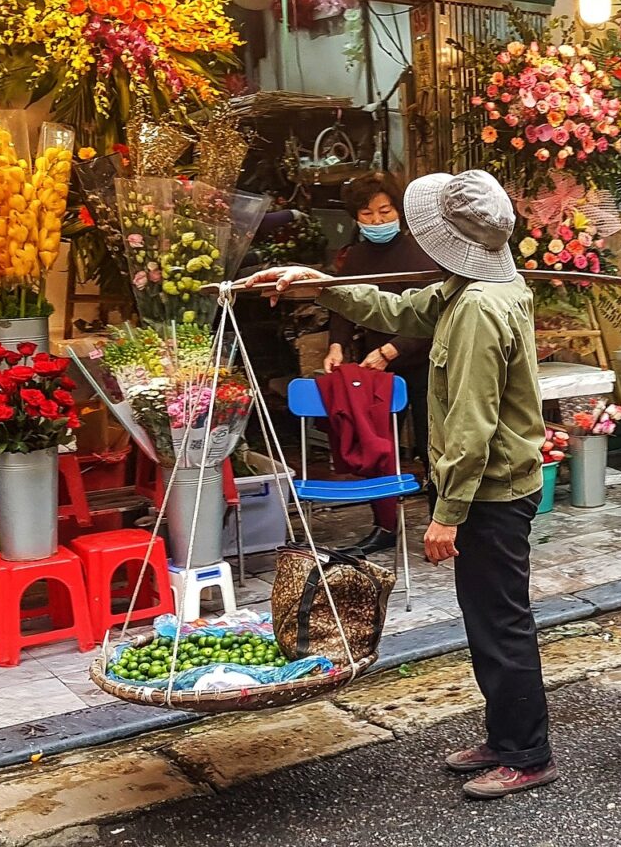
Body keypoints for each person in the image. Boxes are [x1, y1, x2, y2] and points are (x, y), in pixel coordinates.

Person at [251, 170, 555, 800]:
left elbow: (472, 426)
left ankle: (527, 753)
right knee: (485, 617)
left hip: (492, 492)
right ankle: (506, 736)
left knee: (502, 621)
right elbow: (394, 308)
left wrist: (446, 515)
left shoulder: (478, 309)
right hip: (490, 487)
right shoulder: (470, 288)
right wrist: (319, 283)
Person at [324, 173, 440, 557]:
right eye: (367, 213)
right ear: (355, 218)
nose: (377, 220)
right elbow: (342, 302)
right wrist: (337, 345)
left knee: (432, 444)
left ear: (399, 212)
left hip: (424, 362)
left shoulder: (421, 252)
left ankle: (445, 527)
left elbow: (435, 315)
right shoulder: (354, 257)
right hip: (377, 368)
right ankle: (385, 525)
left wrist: (392, 350)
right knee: (380, 446)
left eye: (384, 211)